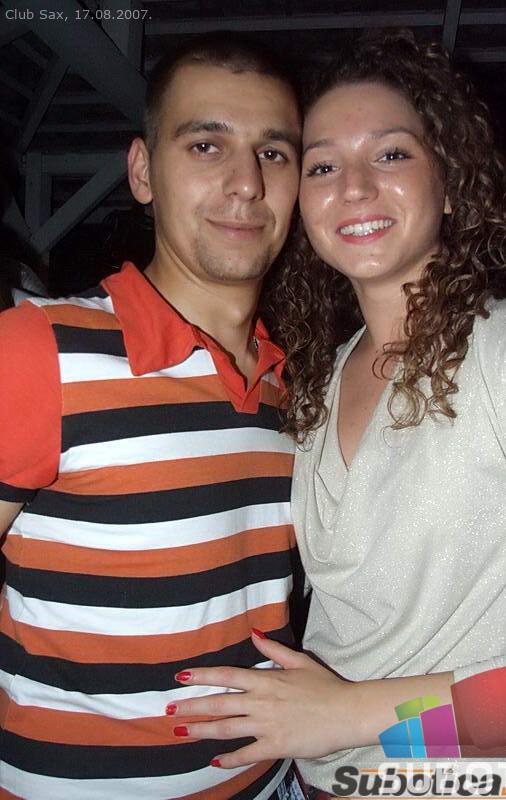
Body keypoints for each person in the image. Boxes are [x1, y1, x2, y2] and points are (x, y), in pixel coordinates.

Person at [163, 30, 506, 795]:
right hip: (315, 781)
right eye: (323, 165)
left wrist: (356, 717)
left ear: (451, 183)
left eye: (392, 154)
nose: (355, 187)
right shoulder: (319, 377)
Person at [0, 34, 304, 799]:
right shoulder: (38, 350)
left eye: (273, 153)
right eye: (206, 145)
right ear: (142, 171)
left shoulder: (294, 386)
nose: (246, 183)